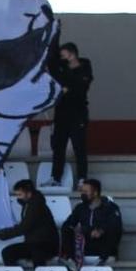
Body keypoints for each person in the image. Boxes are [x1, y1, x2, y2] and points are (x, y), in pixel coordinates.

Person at [47, 42, 91, 187]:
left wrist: (67, 87)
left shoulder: (85, 66)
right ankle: (55, 177)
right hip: (61, 114)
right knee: (58, 147)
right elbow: (52, 67)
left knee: (79, 147)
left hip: (78, 113)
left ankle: (82, 178)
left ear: (72, 54)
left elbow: (82, 86)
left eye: (63, 54)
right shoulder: (61, 67)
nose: (61, 57)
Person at [0, 180, 59, 268]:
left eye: (20, 195)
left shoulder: (36, 206)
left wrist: (2, 235)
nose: (17, 198)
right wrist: (4, 231)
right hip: (34, 244)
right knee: (7, 252)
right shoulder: (29, 205)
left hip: (45, 245)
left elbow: (24, 227)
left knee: (35, 254)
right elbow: (24, 225)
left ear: (29, 193)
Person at [63, 178, 122, 266]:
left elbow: (116, 225)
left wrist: (101, 230)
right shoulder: (80, 208)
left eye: (86, 192)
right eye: (82, 191)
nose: (83, 194)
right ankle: (71, 260)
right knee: (66, 229)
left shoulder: (110, 208)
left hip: (103, 247)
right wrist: (88, 231)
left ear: (95, 193)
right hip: (85, 245)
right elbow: (68, 224)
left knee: (113, 230)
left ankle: (102, 259)